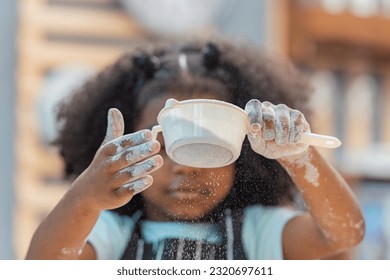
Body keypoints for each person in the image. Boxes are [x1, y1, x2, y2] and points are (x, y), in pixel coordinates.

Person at [26, 36, 365, 260]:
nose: (186, 167)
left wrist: (299, 156)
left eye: (207, 144)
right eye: (163, 145)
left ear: (242, 154)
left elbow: (343, 234)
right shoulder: (109, 235)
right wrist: (86, 197)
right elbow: (43, 265)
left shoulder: (260, 232)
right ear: (130, 149)